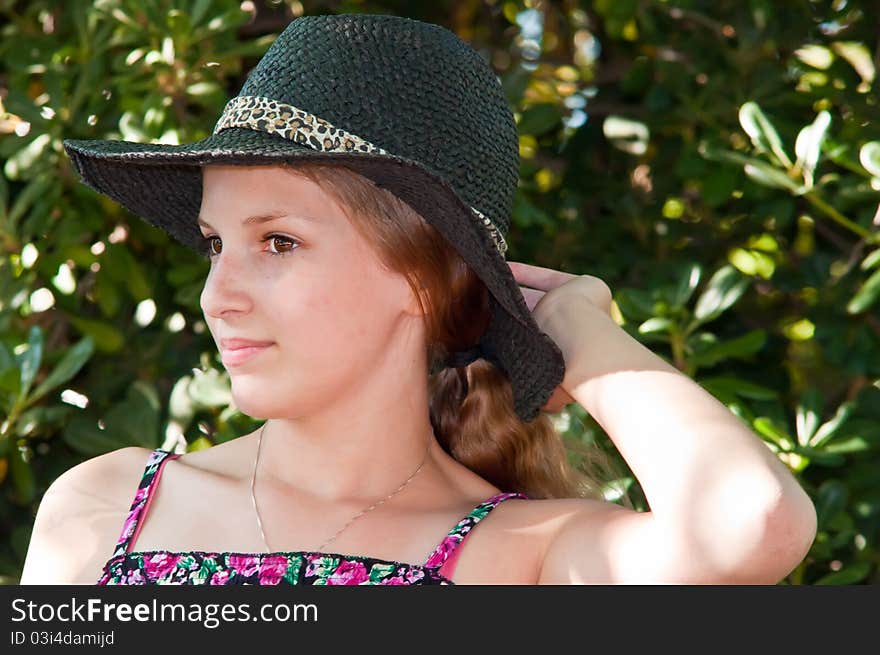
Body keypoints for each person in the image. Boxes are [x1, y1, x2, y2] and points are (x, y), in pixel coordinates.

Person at [20, 13, 816, 585]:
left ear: (421, 279)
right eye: (215, 243)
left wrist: (582, 332)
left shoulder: (525, 554)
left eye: (278, 242)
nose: (218, 295)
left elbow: (753, 521)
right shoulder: (105, 501)